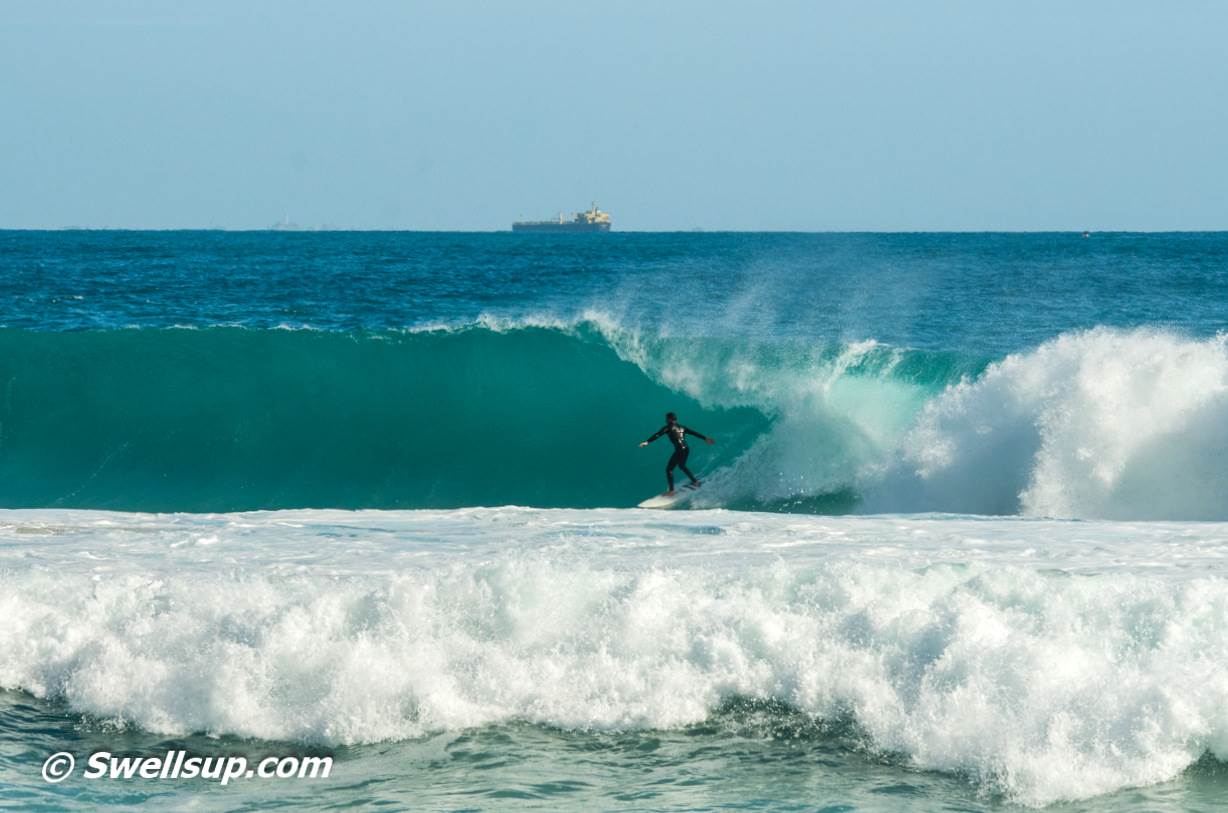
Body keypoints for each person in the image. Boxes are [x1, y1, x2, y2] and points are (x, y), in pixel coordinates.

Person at [639, 412, 715, 494]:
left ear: (669, 419)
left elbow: (657, 435)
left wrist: (647, 442)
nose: (665, 420)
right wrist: (705, 438)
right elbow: (693, 433)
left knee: (669, 469)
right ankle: (696, 482)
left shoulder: (668, 427)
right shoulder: (682, 427)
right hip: (686, 449)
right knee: (682, 466)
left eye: (666, 418)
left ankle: (671, 491)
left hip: (679, 450)